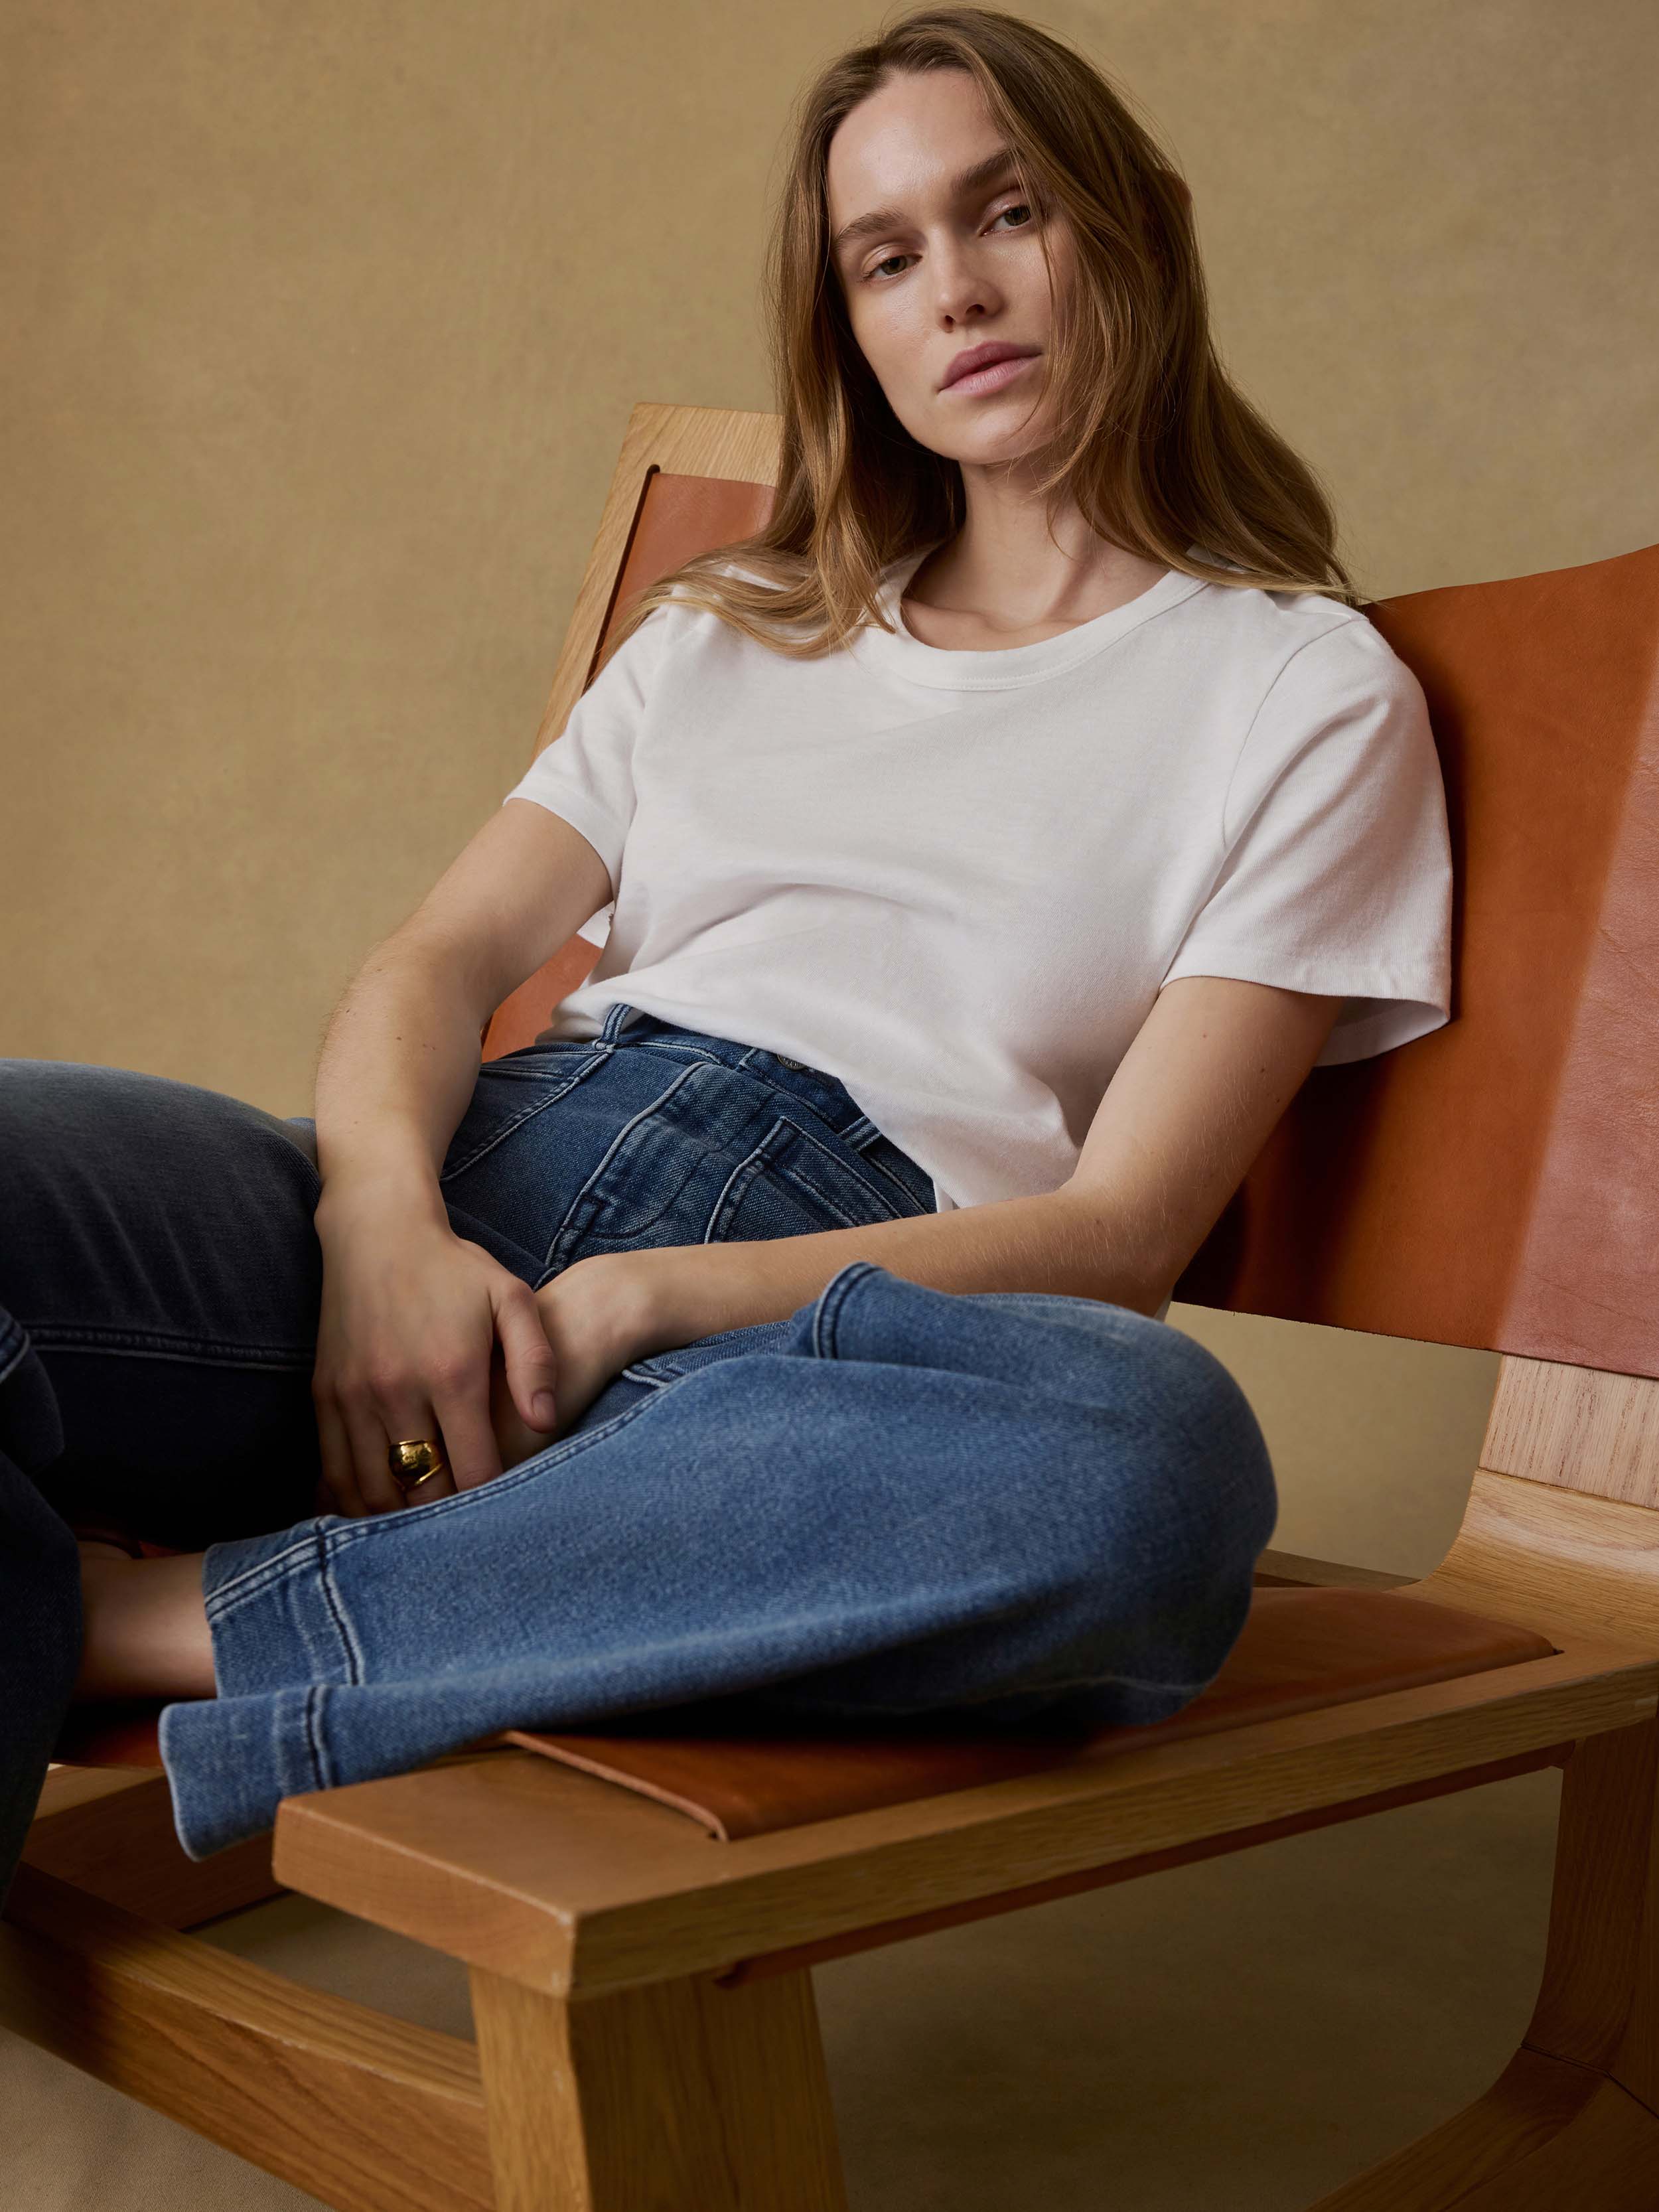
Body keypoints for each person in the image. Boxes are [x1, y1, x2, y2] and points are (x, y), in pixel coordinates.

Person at [0, 5, 1450, 1883]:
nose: (957, 293)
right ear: (846, 320)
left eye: (1008, 215)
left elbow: (1118, 1244)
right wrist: (379, 1233)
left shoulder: (1297, 693)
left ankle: (151, 1622)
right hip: (452, 1209)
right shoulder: (730, 630)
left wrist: (637, 1305)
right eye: (887, 256)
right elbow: (432, 968)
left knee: (1151, 1467)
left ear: (1136, 224)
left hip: (790, 1363)